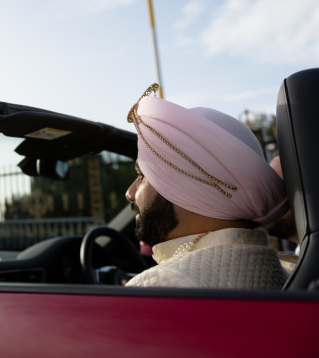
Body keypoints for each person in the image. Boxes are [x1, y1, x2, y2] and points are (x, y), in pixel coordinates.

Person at [123, 83, 289, 290]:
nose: (130, 193)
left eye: (141, 175)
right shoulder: (287, 269)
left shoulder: (160, 286)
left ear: (184, 186)